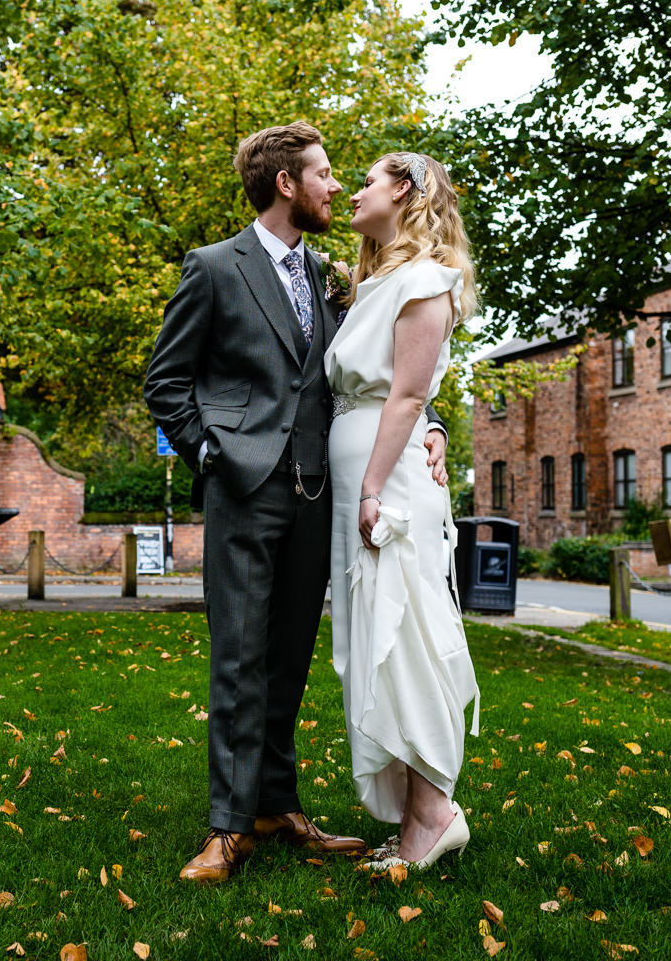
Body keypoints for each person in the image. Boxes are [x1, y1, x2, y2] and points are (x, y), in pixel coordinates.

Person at [144, 122, 449, 884]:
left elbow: (384, 368)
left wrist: (434, 423)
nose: (335, 186)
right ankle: (227, 826)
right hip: (244, 494)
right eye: (322, 174)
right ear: (287, 183)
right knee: (238, 658)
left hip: (319, 497)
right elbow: (166, 383)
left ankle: (277, 805)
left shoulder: (333, 276)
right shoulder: (214, 267)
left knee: (289, 660)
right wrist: (213, 454)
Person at [324, 151, 481, 871]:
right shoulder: (376, 281)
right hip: (367, 466)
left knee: (403, 637)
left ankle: (432, 815)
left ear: (407, 191)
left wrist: (371, 487)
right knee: (374, 640)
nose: (352, 191)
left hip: (384, 482)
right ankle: (419, 808)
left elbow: (409, 396)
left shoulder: (424, 280)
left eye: (366, 180)